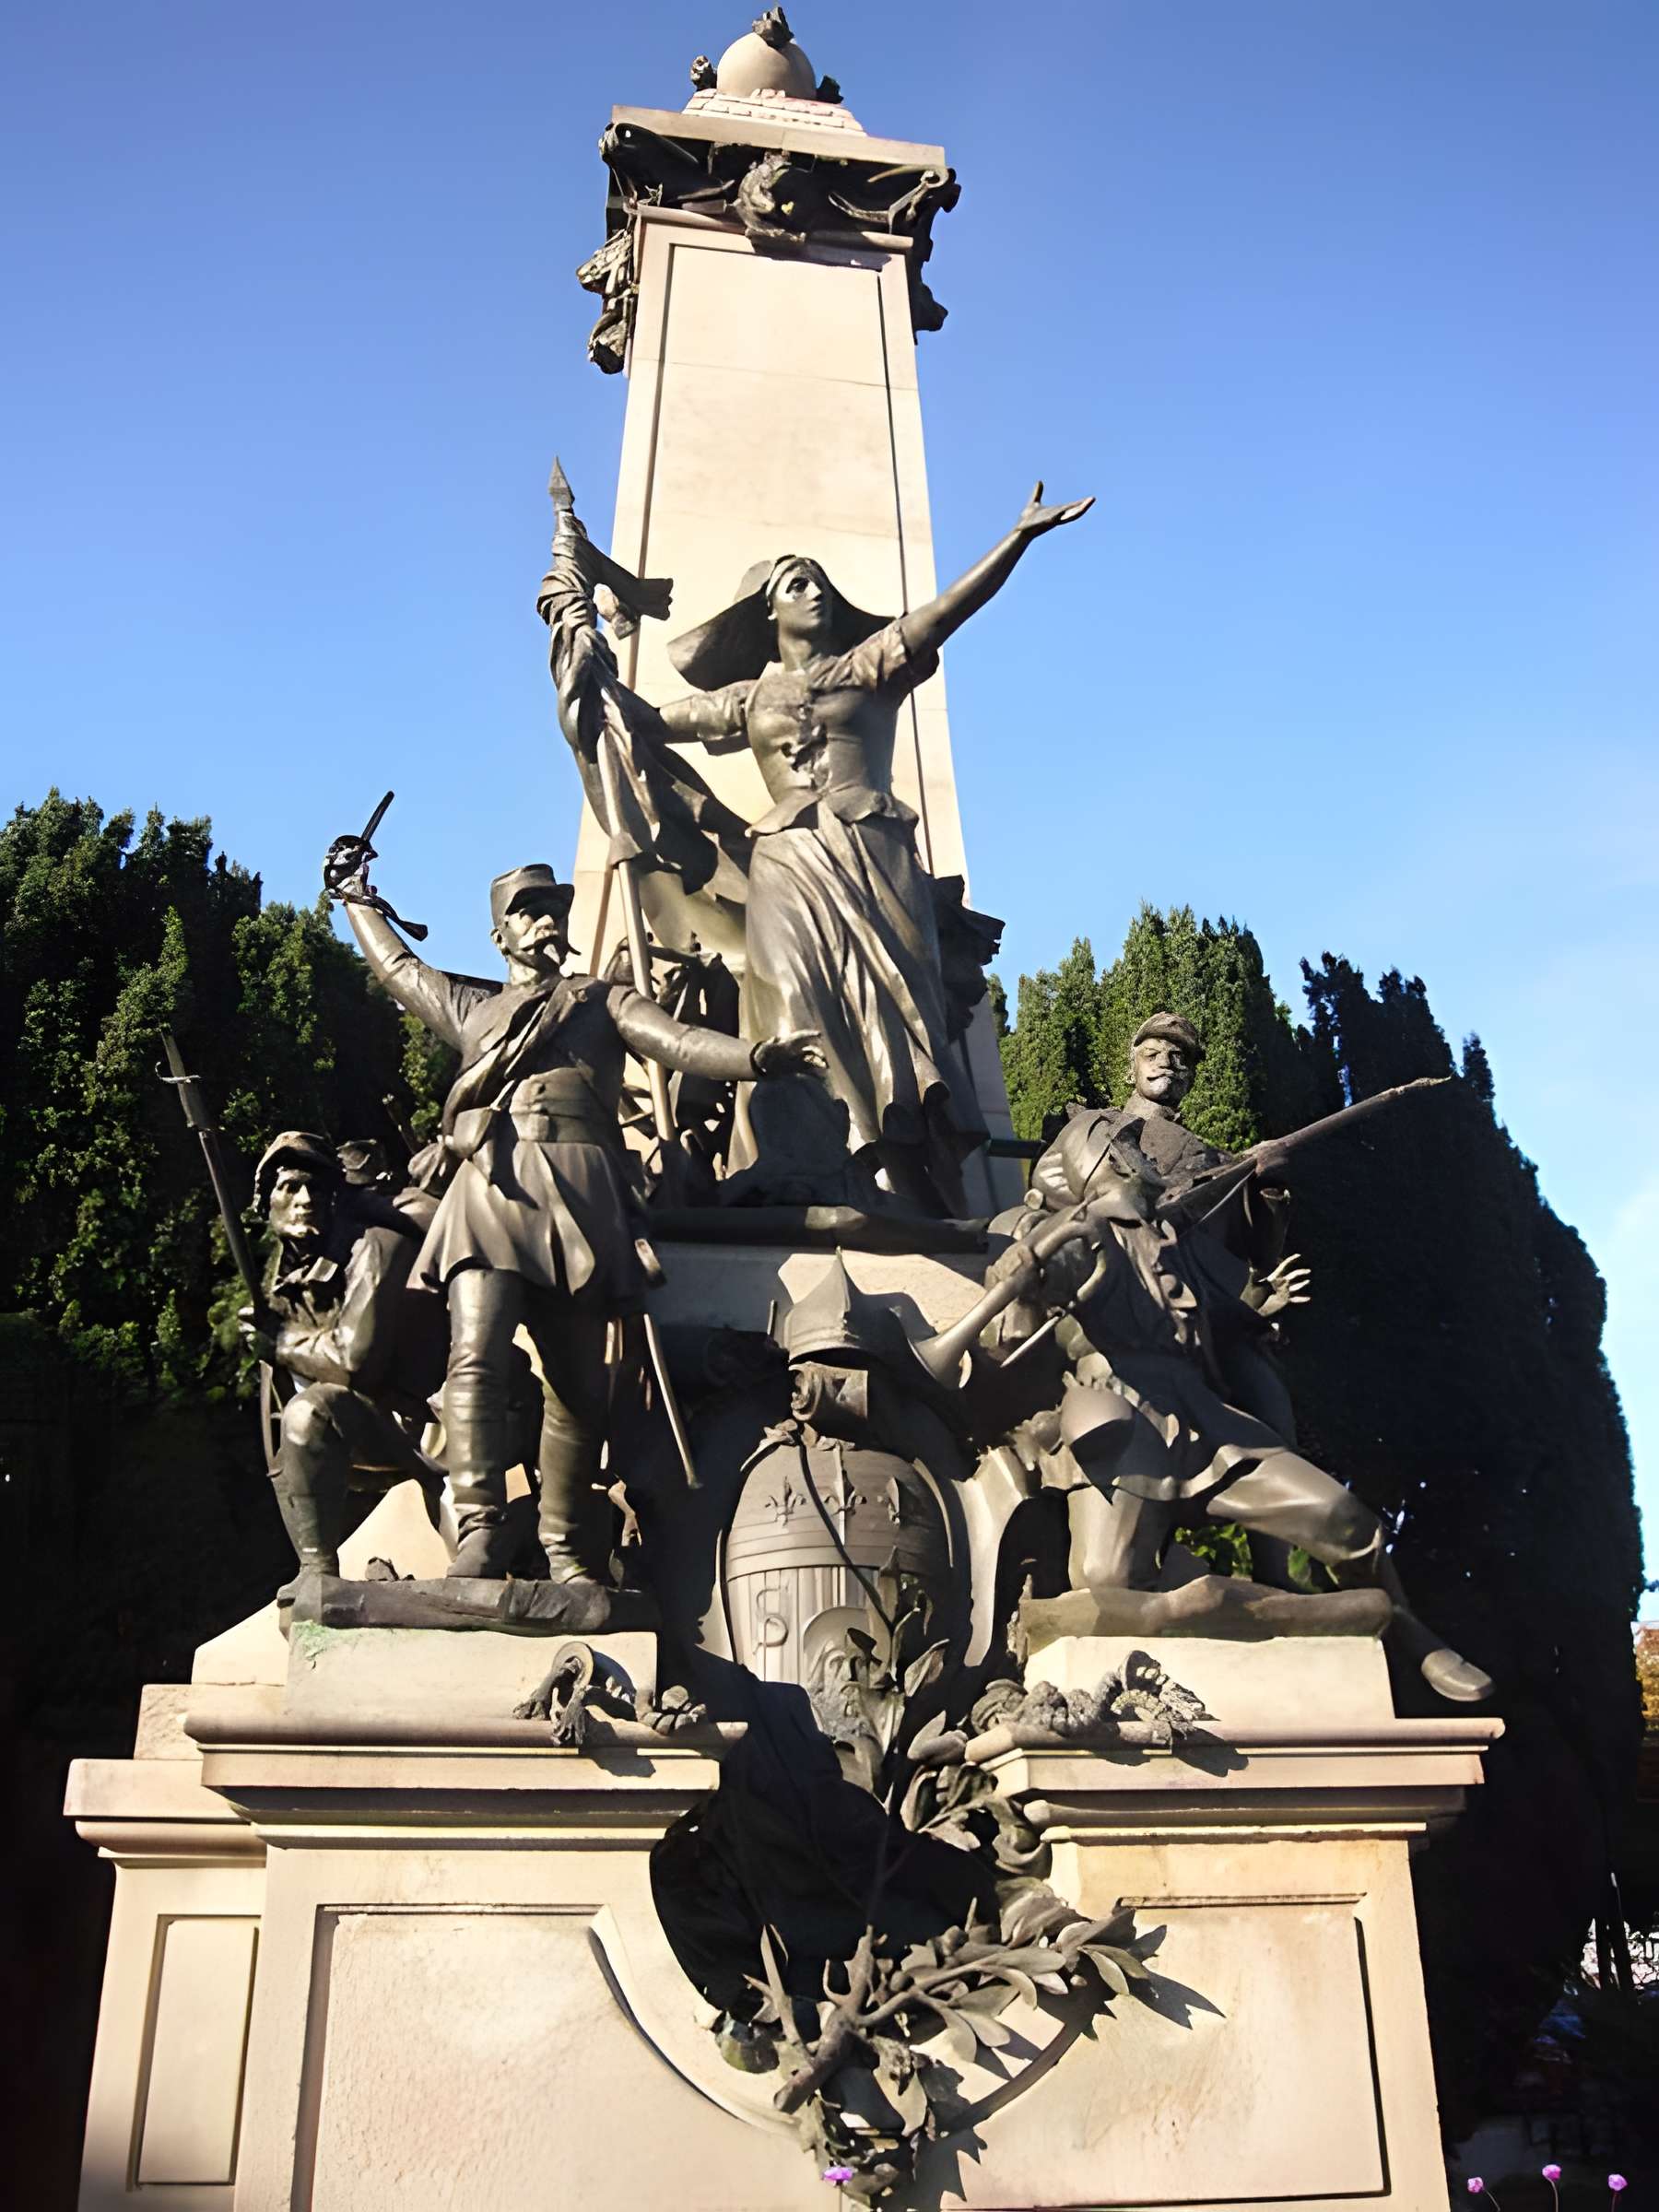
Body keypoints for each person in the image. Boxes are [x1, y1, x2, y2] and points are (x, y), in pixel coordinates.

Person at [326, 844, 824, 1586]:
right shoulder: (475, 1008)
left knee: (580, 1387)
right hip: (493, 1187)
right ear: (500, 936)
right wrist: (355, 900)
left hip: (582, 1196)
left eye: (552, 911)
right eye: (525, 913)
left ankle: (565, 1545)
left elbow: (679, 1043)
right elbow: (402, 974)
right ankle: (481, 1533)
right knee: (476, 1361)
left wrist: (757, 1059)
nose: (543, 922)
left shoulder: (602, 999)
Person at [653, 483, 1091, 1216]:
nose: (815, 593)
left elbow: (946, 613)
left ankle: (899, 1176)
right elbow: (636, 723)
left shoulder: (873, 665)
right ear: (770, 610)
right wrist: (579, 656)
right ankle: (803, 1165)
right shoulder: (743, 700)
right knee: (791, 1008)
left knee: (897, 1017)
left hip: (875, 860)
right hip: (787, 865)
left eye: (822, 582)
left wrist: (1015, 541)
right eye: (798, 584)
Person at [982, 1127, 1493, 1703]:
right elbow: (1010, 1336)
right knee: (1107, 1584)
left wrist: (1259, 1304)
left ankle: (1407, 1631)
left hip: (1206, 1417)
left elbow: (1212, 1322)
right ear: (1095, 1161)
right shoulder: (1072, 1235)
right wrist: (1021, 1280)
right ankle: (1226, 1601)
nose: (1143, 1155)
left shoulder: (1174, 1235)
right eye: (1126, 1147)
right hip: (1125, 1421)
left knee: (1348, 1520)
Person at [244, 1131, 448, 1603]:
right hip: (364, 1421)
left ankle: (320, 1577)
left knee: (307, 1415)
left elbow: (357, 1364)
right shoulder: (286, 1270)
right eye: (289, 1187)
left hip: (425, 1426)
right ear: (266, 1202)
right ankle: (315, 1574)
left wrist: (280, 1341)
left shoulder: (375, 1247)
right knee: (288, 1447)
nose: (304, 1200)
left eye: (316, 1187)